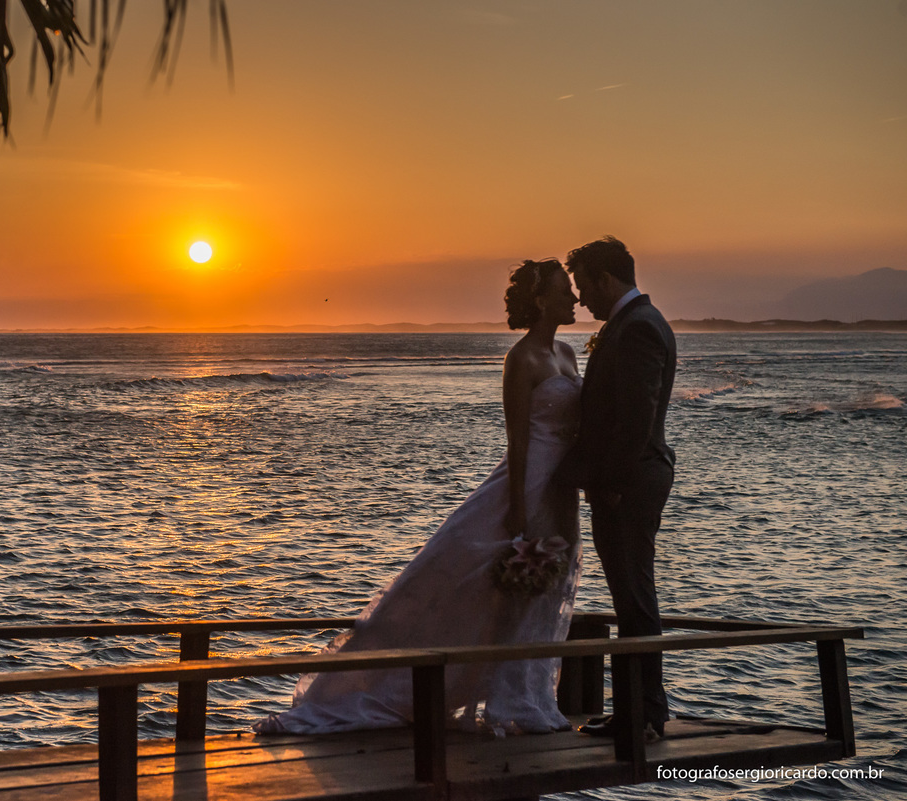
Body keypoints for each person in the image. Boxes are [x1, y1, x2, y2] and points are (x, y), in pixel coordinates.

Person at [254, 259, 583, 736]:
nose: (572, 297)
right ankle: (382, 686)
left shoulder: (570, 354)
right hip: (528, 482)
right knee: (485, 586)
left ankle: (528, 699)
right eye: (564, 289)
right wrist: (518, 508)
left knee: (541, 594)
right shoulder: (522, 358)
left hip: (560, 487)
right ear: (541, 299)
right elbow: (517, 441)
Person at [555, 236, 676, 742]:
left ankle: (642, 714)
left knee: (633, 596)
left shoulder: (639, 328)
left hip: (630, 483)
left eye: (584, 285)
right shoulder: (633, 324)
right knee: (630, 596)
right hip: (627, 480)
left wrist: (610, 487)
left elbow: (635, 419)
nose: (581, 298)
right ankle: (639, 709)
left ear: (606, 279)